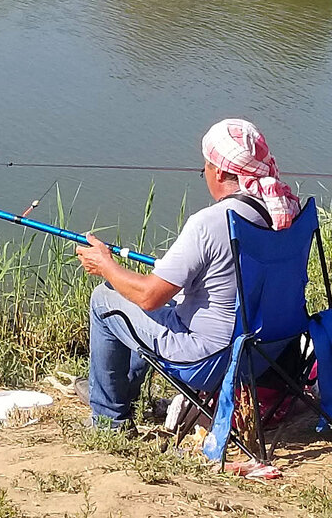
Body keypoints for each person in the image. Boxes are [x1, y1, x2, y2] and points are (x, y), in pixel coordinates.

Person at [75, 118, 300, 429]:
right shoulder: (286, 214)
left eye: (205, 166)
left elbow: (149, 296)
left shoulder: (210, 222)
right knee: (172, 302)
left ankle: (108, 419)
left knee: (104, 298)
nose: (204, 173)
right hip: (268, 353)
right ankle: (123, 392)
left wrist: (105, 265)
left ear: (219, 171)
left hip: (212, 362)